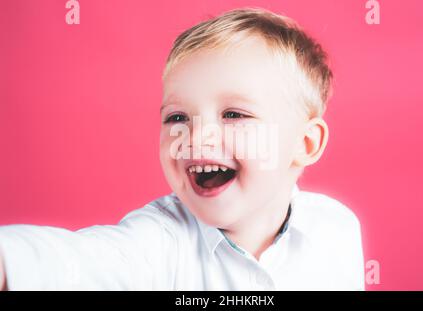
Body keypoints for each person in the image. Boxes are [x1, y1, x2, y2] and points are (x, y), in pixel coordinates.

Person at [0, 7, 364, 290]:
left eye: (233, 114)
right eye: (177, 117)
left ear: (304, 144)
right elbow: (77, 263)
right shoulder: (158, 243)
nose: (195, 137)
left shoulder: (337, 228)